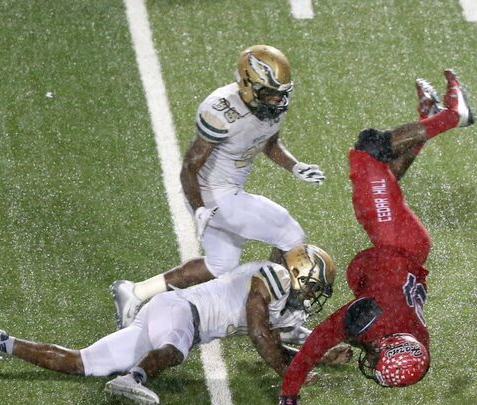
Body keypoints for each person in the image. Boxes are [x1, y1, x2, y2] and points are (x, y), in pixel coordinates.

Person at [276, 69, 476, 405]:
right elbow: (317, 341)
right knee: (367, 151)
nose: (370, 362)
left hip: (406, 251)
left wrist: (366, 344)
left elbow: (392, 344)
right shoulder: (369, 320)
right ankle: (451, 117)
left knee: (385, 177)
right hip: (395, 241)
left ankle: (425, 121)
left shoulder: (417, 345)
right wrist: (289, 393)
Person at [0, 245, 350, 405]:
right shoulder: (273, 276)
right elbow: (261, 335)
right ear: (299, 273)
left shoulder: (281, 299)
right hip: (180, 312)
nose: (314, 294)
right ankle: (137, 377)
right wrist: (290, 373)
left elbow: (284, 336)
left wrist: (319, 354)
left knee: (80, 362)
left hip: (168, 315)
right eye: (315, 285)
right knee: (176, 348)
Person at [110, 44, 326, 330]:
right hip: (211, 192)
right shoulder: (220, 110)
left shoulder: (271, 105)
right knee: (289, 233)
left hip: (223, 193)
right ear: (247, 84)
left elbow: (269, 143)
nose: (276, 101)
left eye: (280, 94)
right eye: (269, 94)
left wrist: (294, 165)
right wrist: (200, 208)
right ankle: (280, 313)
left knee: (220, 264)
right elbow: (190, 167)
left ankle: (136, 292)